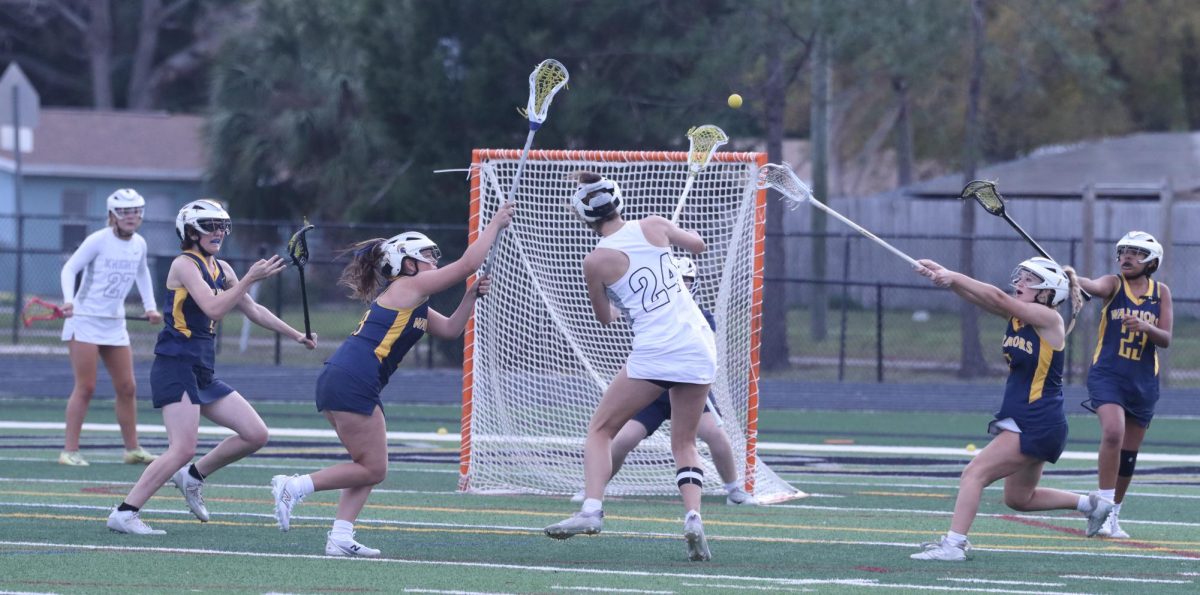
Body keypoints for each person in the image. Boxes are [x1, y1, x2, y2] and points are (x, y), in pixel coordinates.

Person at [269, 203, 514, 557]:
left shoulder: (414, 301)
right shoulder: (407, 287)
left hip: (350, 377)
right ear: (408, 263)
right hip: (353, 377)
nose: (435, 262)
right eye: (428, 256)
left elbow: (449, 329)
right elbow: (468, 265)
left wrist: (470, 297)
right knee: (373, 467)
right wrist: (495, 223)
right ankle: (294, 486)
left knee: (366, 466)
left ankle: (340, 536)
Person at [106, 199, 316, 535]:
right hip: (175, 364)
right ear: (190, 231)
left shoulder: (223, 268)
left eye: (221, 225)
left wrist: (297, 335)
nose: (219, 232)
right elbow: (214, 308)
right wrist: (249, 278)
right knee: (183, 447)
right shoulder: (184, 265)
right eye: (210, 225)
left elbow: (253, 310)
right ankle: (125, 512)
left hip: (202, 366)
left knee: (255, 434)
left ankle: (193, 476)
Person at [543, 173, 717, 562]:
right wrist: (672, 236)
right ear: (618, 201)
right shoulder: (654, 224)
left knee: (601, 429)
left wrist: (626, 307)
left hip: (656, 348)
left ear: (584, 217)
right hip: (698, 343)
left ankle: (591, 510)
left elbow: (604, 317)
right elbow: (699, 245)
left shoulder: (595, 260)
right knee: (685, 442)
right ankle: (693, 518)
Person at [909, 257, 1114, 561]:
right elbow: (983, 299)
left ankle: (953, 545)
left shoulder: (1049, 319)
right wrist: (946, 278)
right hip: (1032, 419)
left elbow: (996, 296)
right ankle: (1091, 505)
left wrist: (954, 274)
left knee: (973, 474)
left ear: (1047, 292)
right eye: (1021, 278)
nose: (1019, 283)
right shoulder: (1019, 318)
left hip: (1036, 419)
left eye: (1029, 280)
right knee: (1019, 498)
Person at [570, 257, 757, 507]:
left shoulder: (700, 317)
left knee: (715, 434)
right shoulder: (651, 313)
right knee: (623, 440)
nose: (683, 286)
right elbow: (620, 315)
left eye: (687, 281)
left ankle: (734, 490)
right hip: (653, 392)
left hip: (688, 389)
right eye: (678, 280)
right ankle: (594, 489)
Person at [1075, 231, 1172, 539]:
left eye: (1135, 253)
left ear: (1151, 261)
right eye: (1123, 252)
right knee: (1113, 432)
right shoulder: (1114, 284)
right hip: (1109, 374)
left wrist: (1146, 327)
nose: (1127, 257)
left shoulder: (1161, 292)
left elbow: (1166, 339)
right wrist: (1073, 277)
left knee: (1129, 453)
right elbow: (1093, 285)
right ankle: (1102, 505)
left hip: (1143, 380)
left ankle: (1113, 513)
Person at [58, 189, 162, 466]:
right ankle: (69, 450)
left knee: (128, 387)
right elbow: (69, 269)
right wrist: (68, 301)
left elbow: (142, 273)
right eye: (125, 212)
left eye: (136, 211)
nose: (131, 217)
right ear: (112, 216)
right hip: (84, 320)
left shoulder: (139, 243)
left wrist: (150, 307)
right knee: (87, 387)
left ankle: (132, 449)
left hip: (114, 323)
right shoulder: (98, 240)